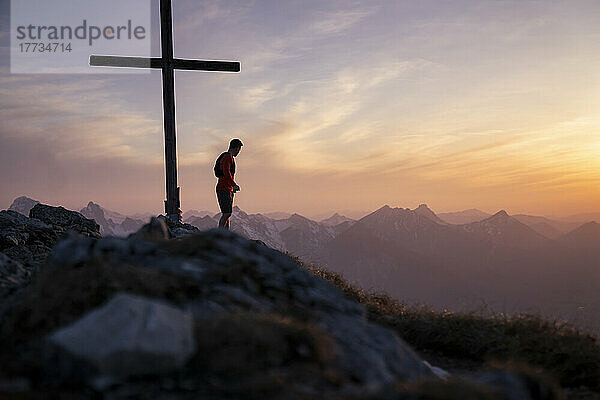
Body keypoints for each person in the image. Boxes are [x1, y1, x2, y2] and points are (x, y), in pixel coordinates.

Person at [215, 138, 243, 230]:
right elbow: (226, 171)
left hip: (227, 188)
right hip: (224, 188)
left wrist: (232, 186)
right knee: (227, 213)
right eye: (239, 149)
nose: (238, 152)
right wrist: (233, 184)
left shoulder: (228, 157)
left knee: (227, 213)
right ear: (236, 148)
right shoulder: (228, 157)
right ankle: (219, 235)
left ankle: (225, 234)